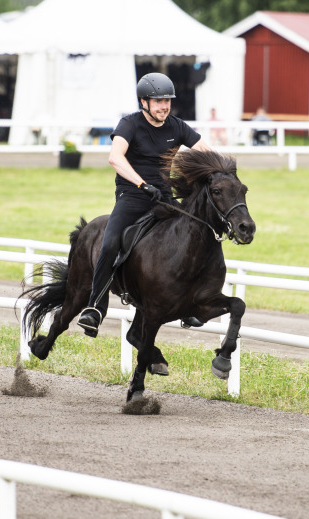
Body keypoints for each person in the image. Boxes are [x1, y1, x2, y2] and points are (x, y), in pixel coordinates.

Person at [77, 72, 211, 337]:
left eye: (167, 101)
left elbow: (207, 153)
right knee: (110, 243)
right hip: (132, 196)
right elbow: (115, 158)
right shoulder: (129, 124)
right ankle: (95, 308)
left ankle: (190, 304)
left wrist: (223, 171)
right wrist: (142, 184)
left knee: (195, 238)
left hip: (164, 198)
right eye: (158, 101)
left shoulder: (177, 126)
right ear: (144, 102)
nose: (164, 106)